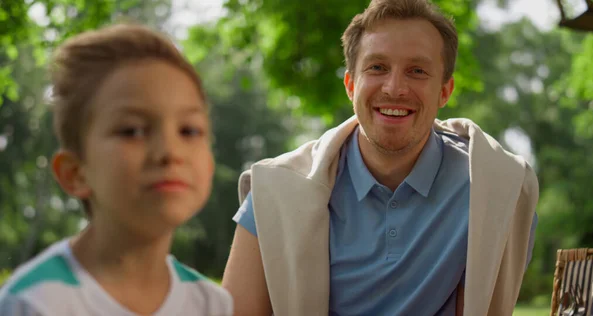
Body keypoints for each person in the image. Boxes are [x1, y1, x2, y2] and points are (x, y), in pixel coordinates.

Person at [222, 0, 538, 315]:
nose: (394, 88)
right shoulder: (277, 191)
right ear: (350, 84)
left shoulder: (494, 190)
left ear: (445, 91)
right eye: (377, 67)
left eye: (417, 71)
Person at [0, 24, 233, 316]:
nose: (170, 152)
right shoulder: (34, 304)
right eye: (133, 130)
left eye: (188, 130)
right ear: (76, 173)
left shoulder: (211, 304)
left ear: (209, 165)